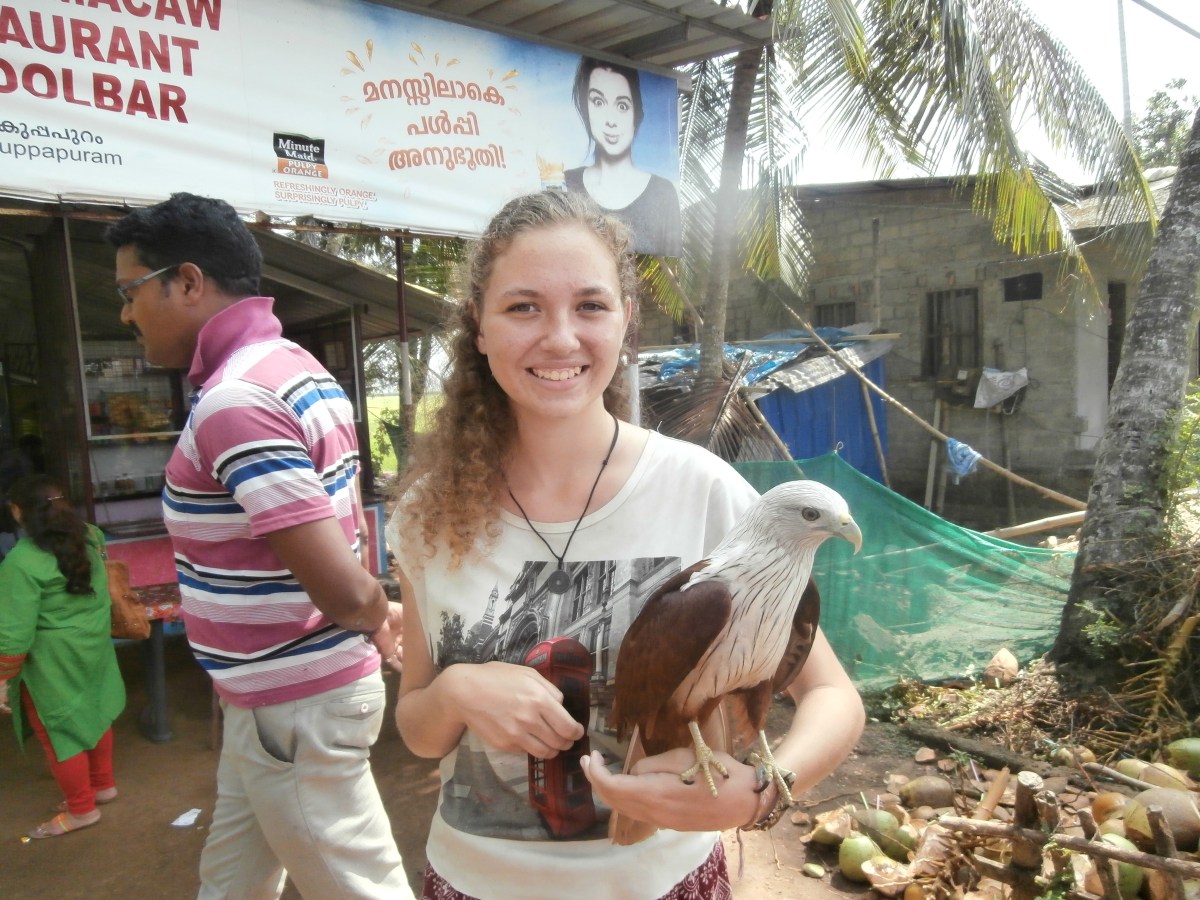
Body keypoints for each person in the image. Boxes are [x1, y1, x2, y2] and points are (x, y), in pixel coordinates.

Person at [387, 190, 864, 899]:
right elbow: (421, 732)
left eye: (590, 305)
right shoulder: (427, 514)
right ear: (479, 328)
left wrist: (765, 787)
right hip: (473, 884)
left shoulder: (706, 490)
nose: (559, 337)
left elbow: (830, 694)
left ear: (625, 322)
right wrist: (456, 691)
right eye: (523, 307)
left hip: (665, 881)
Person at [104, 193, 412, 899]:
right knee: (230, 881)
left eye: (130, 291)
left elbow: (339, 585)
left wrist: (377, 614)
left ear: (186, 281)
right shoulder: (289, 364)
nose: (125, 313)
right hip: (267, 699)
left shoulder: (237, 402)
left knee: (358, 886)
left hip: (294, 702)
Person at [0, 474, 125, 839]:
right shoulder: (91, 536)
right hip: (93, 646)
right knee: (97, 714)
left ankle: (81, 810)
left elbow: (13, 634)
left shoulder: (20, 563)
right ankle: (104, 787)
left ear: (18, 512)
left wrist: (3, 678)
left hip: (52, 663)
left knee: (59, 733)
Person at [565, 56, 682, 257]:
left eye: (622, 106)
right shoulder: (565, 185)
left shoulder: (662, 193)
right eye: (598, 101)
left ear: (636, 114)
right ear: (586, 109)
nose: (611, 121)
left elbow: (671, 273)